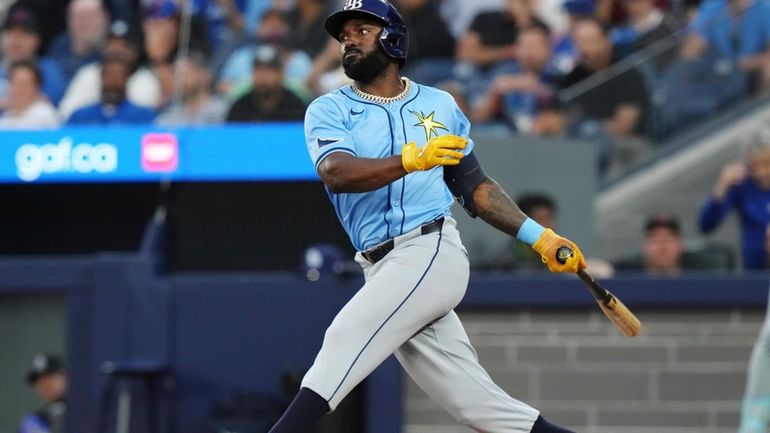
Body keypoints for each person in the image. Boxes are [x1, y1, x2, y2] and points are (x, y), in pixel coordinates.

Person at [267, 2, 586, 433]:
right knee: (481, 408)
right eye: (344, 34)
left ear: (393, 38)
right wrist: (410, 159)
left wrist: (540, 237)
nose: (349, 40)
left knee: (344, 339)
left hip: (428, 249)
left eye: (363, 29)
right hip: (380, 265)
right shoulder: (327, 109)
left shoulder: (439, 105)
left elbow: (475, 186)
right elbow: (336, 172)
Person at [699, 128, 770, 270]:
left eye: (767, 163)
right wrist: (721, 186)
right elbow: (706, 225)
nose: (762, 172)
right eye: (754, 165)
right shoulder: (741, 184)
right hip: (755, 271)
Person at [472, 25, 563, 134]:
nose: (529, 52)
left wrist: (538, 88)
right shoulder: (502, 72)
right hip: (506, 134)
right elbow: (477, 116)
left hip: (545, 139)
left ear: (548, 50)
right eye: (525, 46)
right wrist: (495, 92)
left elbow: (565, 113)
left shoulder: (557, 75)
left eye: (535, 46)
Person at [58, 24, 161, 120]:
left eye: (123, 46)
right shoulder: (89, 73)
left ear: (133, 51)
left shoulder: (144, 78)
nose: (116, 50)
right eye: (111, 45)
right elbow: (66, 113)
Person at [0, 2, 67, 108]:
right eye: (11, 32)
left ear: (37, 40)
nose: (16, 40)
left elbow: (51, 103)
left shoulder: (48, 70)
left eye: (24, 34)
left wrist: (7, 103)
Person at [226, 44, 307, 122]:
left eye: (270, 70)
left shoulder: (295, 106)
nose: (263, 75)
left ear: (281, 73)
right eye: (258, 69)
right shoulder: (240, 108)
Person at [67, 55, 156, 124]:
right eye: (109, 75)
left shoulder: (143, 116)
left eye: (119, 76)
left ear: (127, 79)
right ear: (101, 77)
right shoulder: (80, 116)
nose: (113, 82)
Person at [156, 51, 228, 125]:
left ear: (205, 75)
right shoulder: (173, 112)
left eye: (186, 73)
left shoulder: (222, 109)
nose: (181, 80)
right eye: (177, 76)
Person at [44, 0, 109, 82]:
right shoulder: (59, 44)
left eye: (89, 17)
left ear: (104, 18)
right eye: (77, 17)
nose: (83, 23)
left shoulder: (111, 50)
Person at [0, 60, 60, 128]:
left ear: (36, 87)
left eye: (24, 84)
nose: (19, 89)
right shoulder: (5, 117)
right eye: (16, 83)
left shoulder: (45, 114)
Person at [18, 354, 67, 433]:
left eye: (50, 376)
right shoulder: (32, 422)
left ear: (65, 376)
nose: (45, 383)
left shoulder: (85, 411)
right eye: (38, 380)